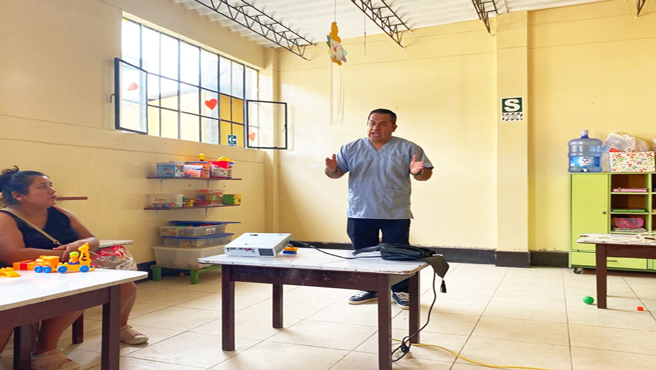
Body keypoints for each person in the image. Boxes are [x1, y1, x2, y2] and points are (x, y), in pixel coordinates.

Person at [0, 167, 148, 370]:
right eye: (43, 187)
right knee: (77, 296)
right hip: (24, 275)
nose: (52, 190)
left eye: (50, 185)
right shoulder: (6, 218)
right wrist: (64, 255)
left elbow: (92, 239)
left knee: (126, 287)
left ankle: (120, 327)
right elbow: (13, 254)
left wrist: (80, 245)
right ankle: (44, 351)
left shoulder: (62, 213)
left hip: (66, 270)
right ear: (19, 196)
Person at [325, 108, 433, 309]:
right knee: (363, 253)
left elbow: (425, 174)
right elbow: (335, 173)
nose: (376, 128)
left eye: (382, 124)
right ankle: (369, 287)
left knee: (398, 254)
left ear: (393, 127)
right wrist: (332, 169)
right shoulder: (351, 148)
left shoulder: (408, 148)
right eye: (372, 123)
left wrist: (417, 173)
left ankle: (401, 290)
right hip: (360, 210)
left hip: (395, 210)